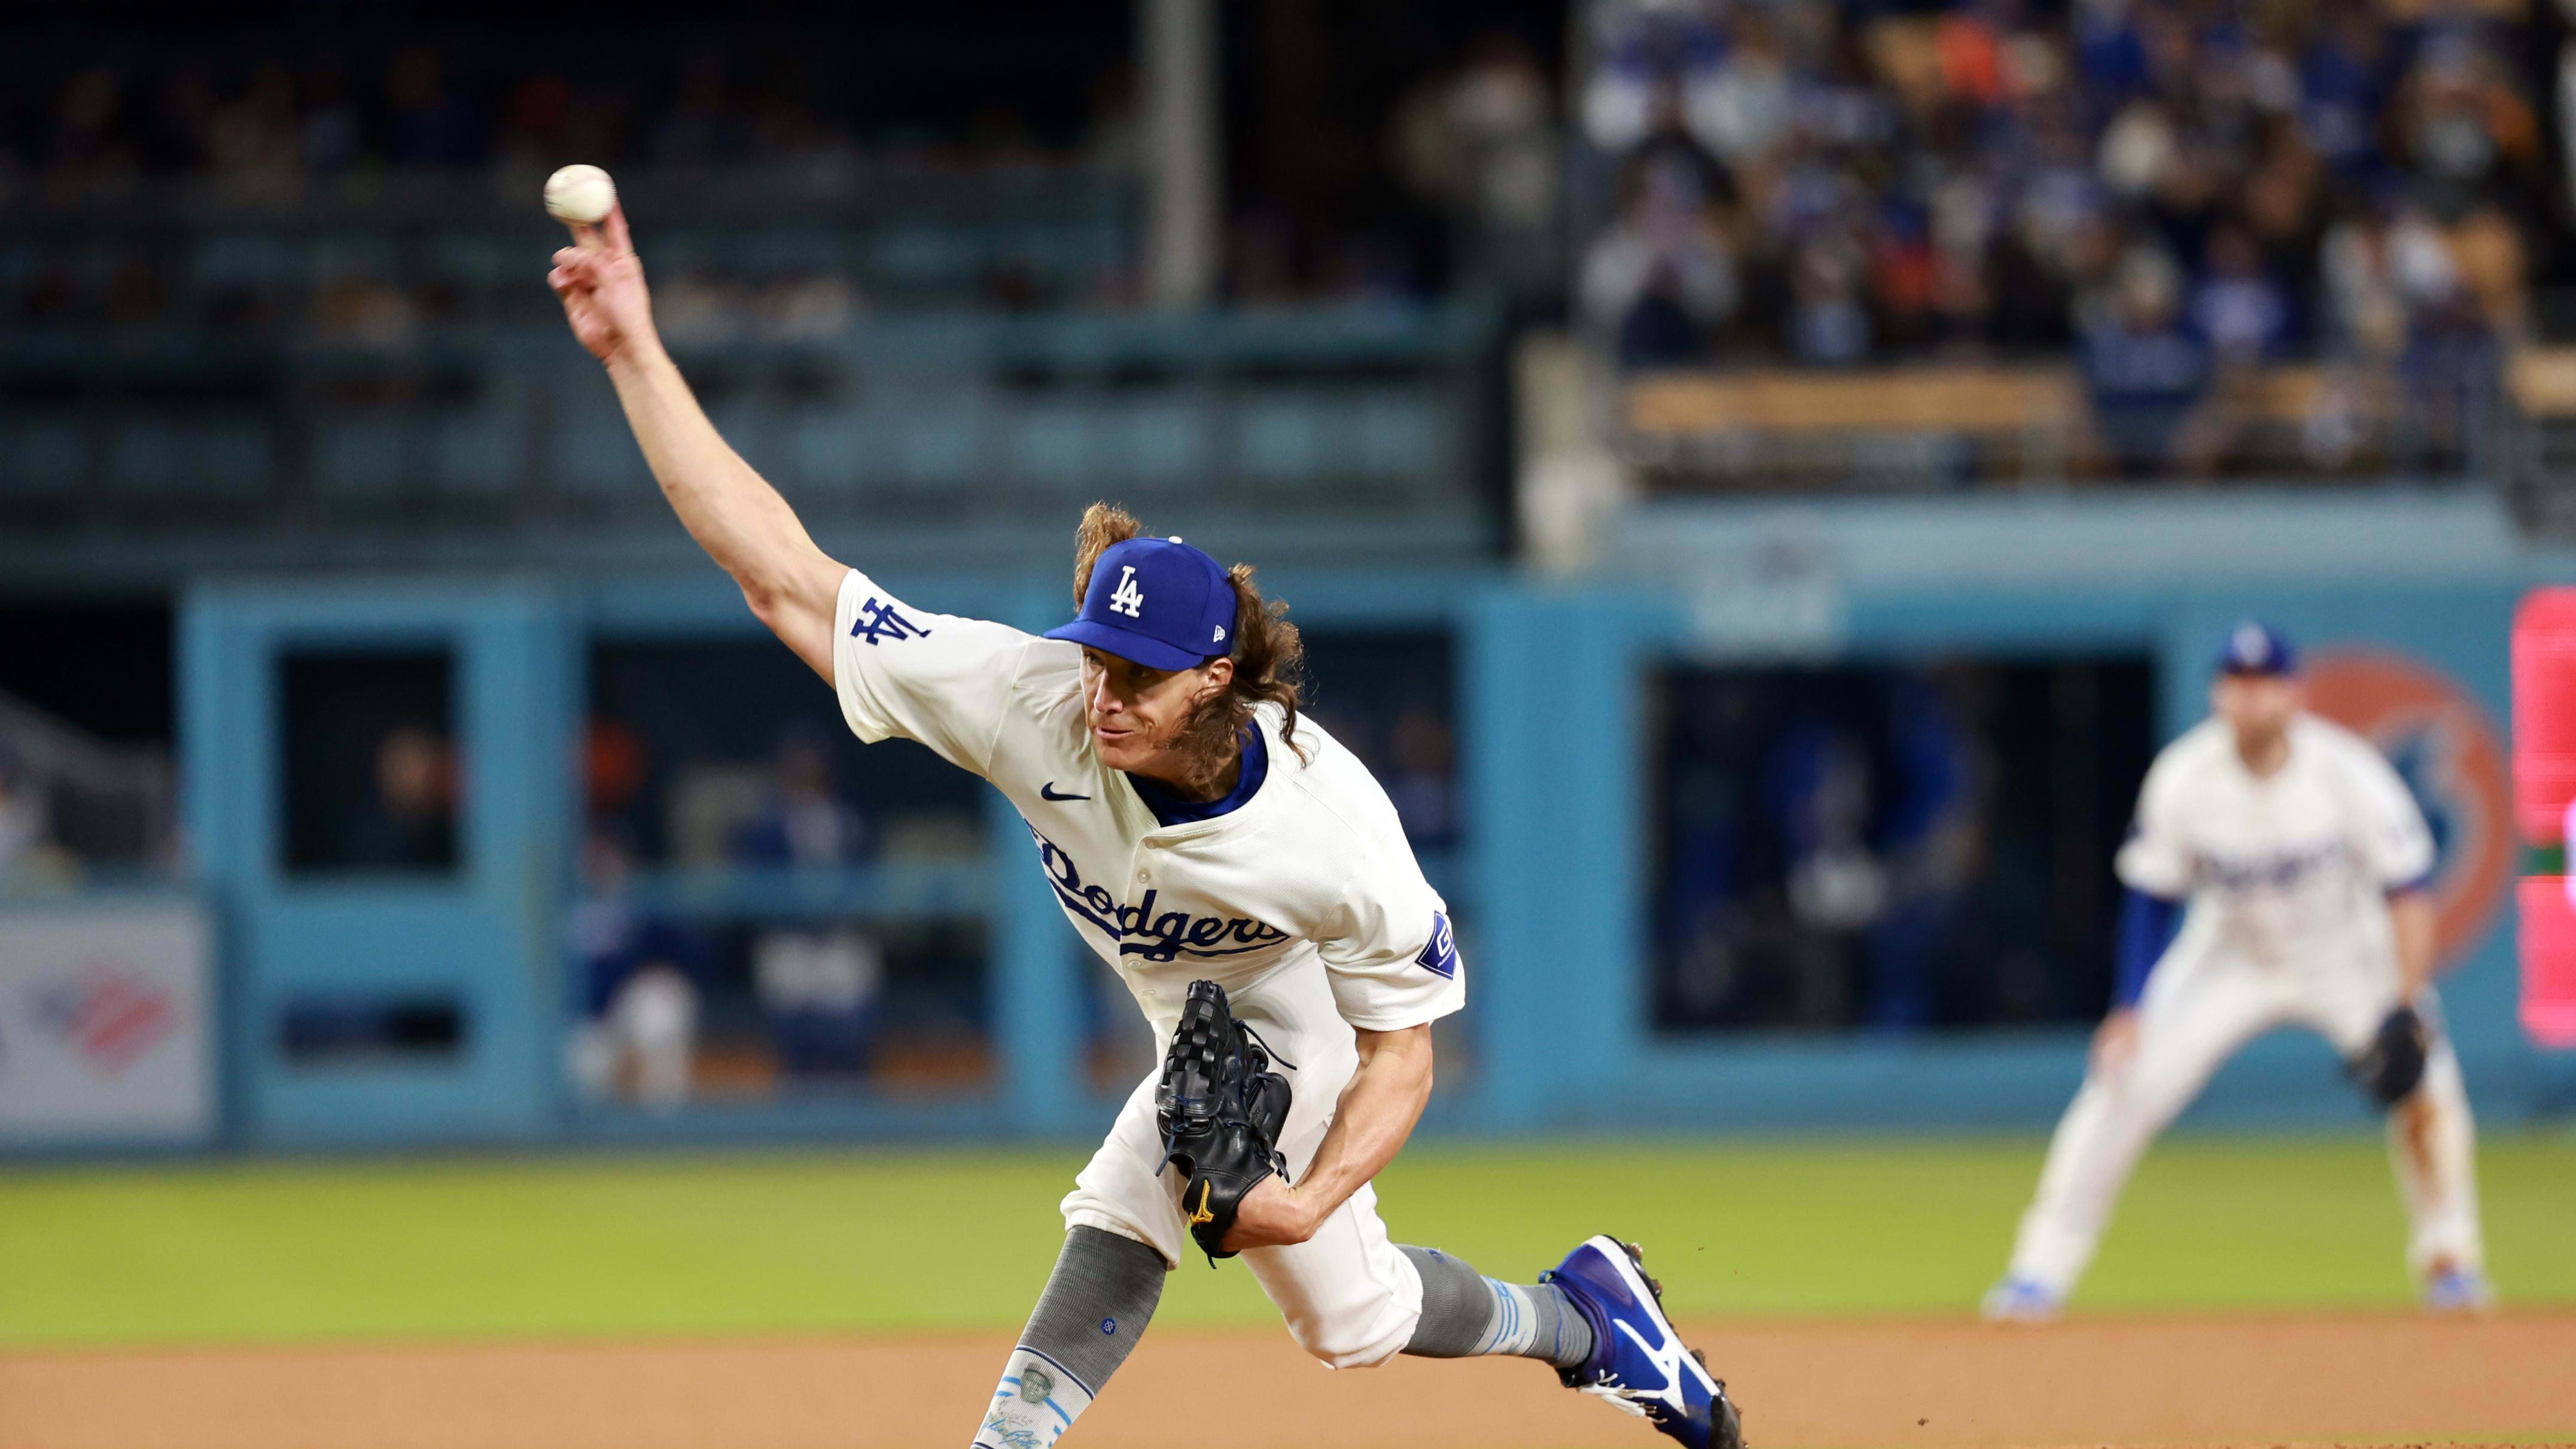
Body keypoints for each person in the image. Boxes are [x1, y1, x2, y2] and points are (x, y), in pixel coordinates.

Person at [547, 205, 1740, 1449]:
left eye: (1137, 675)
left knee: (1132, 1193)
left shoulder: (1327, 829)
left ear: (1214, 679)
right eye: (1094, 657)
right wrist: (633, 345)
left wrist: (1313, 1189)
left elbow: (1405, 1054)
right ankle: (1587, 1319)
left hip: (1288, 1004)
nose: (1102, 693)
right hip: (1180, 1000)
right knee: (1356, 1318)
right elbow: (780, 573)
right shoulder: (1027, 696)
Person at [1984, 622, 2492, 1321]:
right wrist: (2129, 1006)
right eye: (2236, 684)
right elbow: (2151, 897)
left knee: (2429, 1085)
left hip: (2342, 951)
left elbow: (2406, 888)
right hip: (2228, 953)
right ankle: (2038, 1272)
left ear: (2292, 693)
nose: (2249, 699)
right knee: (2121, 1080)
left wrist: (2405, 1003)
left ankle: (2451, 1263)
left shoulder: (2345, 772)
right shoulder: (2184, 777)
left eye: (2263, 684)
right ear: (2218, 693)